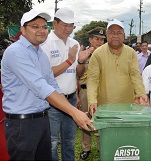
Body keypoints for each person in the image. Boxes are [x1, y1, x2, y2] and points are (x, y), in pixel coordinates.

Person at [1, 9, 93, 160]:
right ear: (23, 30)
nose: (41, 31)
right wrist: (74, 112)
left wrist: (72, 107)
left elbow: (52, 85)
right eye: (35, 26)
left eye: (44, 27)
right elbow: (40, 87)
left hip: (42, 119)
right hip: (22, 124)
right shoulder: (16, 52)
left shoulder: (40, 54)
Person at [41, 7, 93, 160]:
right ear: (54, 23)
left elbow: (78, 73)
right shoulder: (46, 43)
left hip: (70, 98)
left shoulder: (74, 43)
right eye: (65, 25)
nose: (68, 29)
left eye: (72, 26)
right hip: (52, 101)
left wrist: (81, 61)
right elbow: (46, 75)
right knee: (52, 142)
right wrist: (70, 60)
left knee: (69, 140)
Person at [87, 19, 148, 116]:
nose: (115, 36)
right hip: (104, 106)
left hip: (128, 105)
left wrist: (141, 93)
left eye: (119, 33)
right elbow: (92, 80)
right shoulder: (97, 54)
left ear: (123, 35)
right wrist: (92, 101)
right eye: (112, 33)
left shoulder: (131, 53)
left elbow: (135, 75)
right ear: (107, 35)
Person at [77, 27, 106, 160]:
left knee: (101, 119)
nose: (99, 42)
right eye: (96, 39)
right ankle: (86, 148)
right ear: (90, 39)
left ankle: (102, 147)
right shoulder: (83, 54)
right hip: (85, 90)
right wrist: (81, 60)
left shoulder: (106, 54)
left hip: (101, 91)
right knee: (86, 120)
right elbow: (77, 74)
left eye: (102, 39)